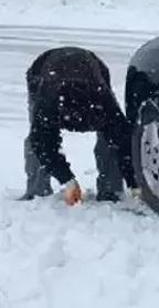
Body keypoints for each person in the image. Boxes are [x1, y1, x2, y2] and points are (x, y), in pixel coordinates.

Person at [20, 47, 137, 204]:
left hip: (94, 68)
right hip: (41, 70)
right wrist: (68, 180)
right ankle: (37, 191)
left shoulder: (104, 103)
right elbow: (42, 143)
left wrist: (133, 182)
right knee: (37, 139)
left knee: (111, 138)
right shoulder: (48, 103)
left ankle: (111, 190)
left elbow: (122, 141)